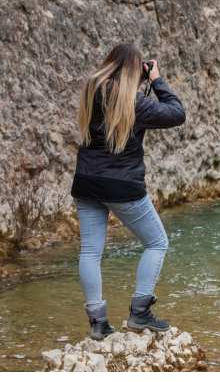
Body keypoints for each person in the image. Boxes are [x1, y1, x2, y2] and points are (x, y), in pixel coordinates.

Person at [71, 43, 186, 340]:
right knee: (157, 242)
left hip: (86, 180)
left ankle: (98, 323)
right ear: (137, 70)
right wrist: (156, 80)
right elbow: (177, 113)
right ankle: (139, 312)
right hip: (122, 185)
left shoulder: (91, 89)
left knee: (90, 251)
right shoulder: (135, 102)